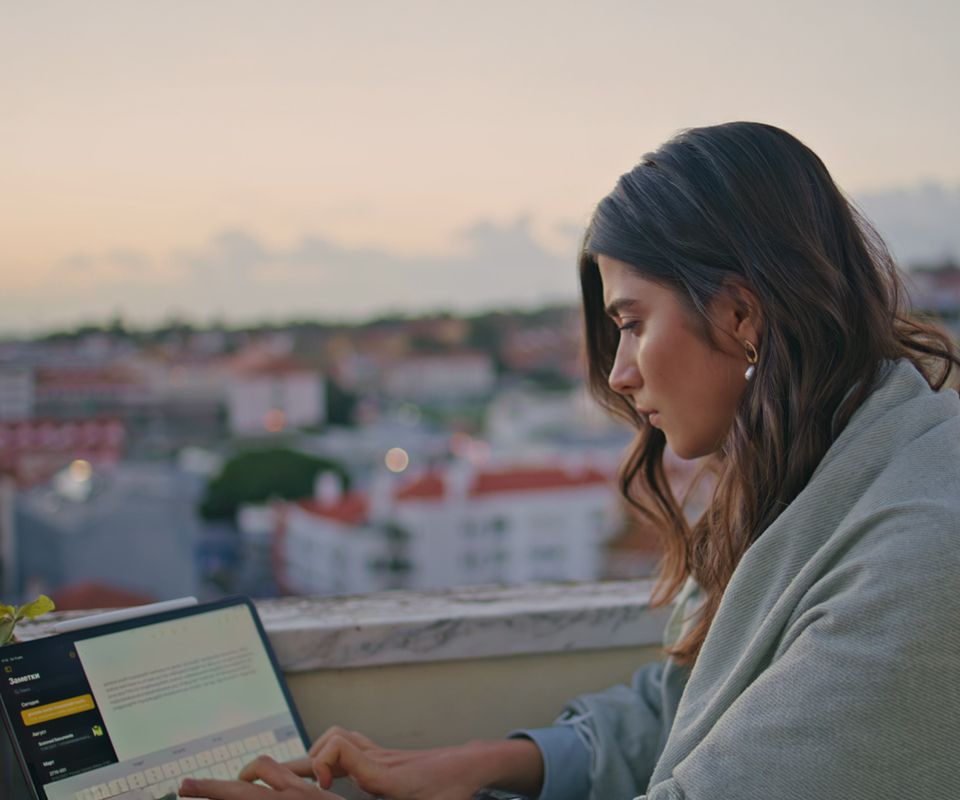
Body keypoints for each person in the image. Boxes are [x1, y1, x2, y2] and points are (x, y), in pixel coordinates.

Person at [180, 122, 960, 800]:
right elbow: (695, 710)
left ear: (740, 313)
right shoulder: (821, 467)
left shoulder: (919, 551)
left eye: (632, 322)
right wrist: (483, 762)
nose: (619, 374)